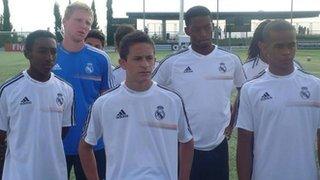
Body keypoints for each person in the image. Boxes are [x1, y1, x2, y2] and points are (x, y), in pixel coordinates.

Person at [79, 31, 194, 180]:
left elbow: (187, 141)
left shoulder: (172, 100)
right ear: (123, 63)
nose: (145, 65)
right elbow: (85, 146)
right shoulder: (105, 102)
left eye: (149, 58)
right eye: (138, 59)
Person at [153, 6, 246, 180]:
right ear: (188, 31)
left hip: (218, 143)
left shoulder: (231, 60)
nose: (203, 33)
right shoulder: (173, 62)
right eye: (197, 29)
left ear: (213, 27)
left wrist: (233, 121)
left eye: (207, 27)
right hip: (184, 143)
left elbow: (244, 91)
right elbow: (150, 91)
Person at [236, 19, 320, 180]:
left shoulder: (315, 86)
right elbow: (244, 143)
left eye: (291, 45)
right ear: (264, 47)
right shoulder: (251, 89)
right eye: (279, 46)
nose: (287, 51)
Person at [0, 30, 74, 180]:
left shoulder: (66, 89)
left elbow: (63, 129)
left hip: (54, 173)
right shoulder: (9, 90)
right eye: (42, 51)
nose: (49, 57)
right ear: (27, 53)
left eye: (53, 52)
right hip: (18, 174)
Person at [52, 2, 114, 180]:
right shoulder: (49, 54)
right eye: (78, 20)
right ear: (64, 21)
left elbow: (107, 100)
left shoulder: (100, 58)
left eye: (88, 22)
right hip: (55, 142)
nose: (84, 26)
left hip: (92, 142)